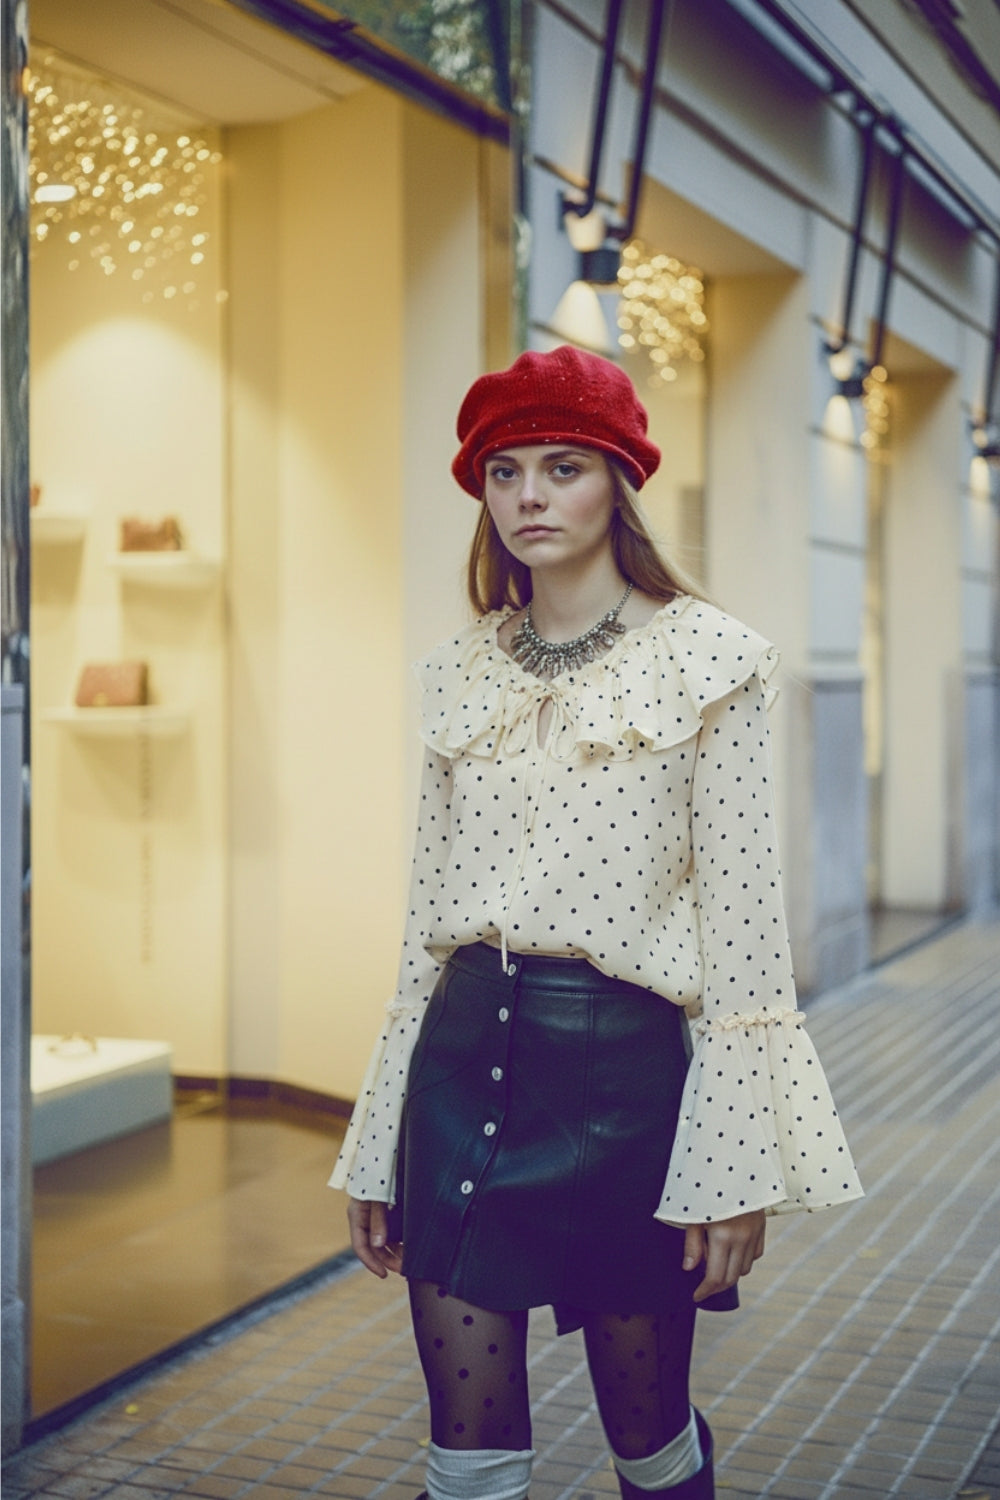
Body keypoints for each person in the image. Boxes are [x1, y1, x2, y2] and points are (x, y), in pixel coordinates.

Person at [329, 345, 863, 1500]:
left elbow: (745, 935)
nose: (528, 496)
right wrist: (380, 1140)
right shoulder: (457, 673)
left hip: (624, 1089)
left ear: (618, 480)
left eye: (561, 467)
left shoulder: (711, 661)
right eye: (504, 471)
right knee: (467, 1457)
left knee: (647, 1441)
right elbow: (424, 929)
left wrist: (733, 1170)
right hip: (460, 1071)